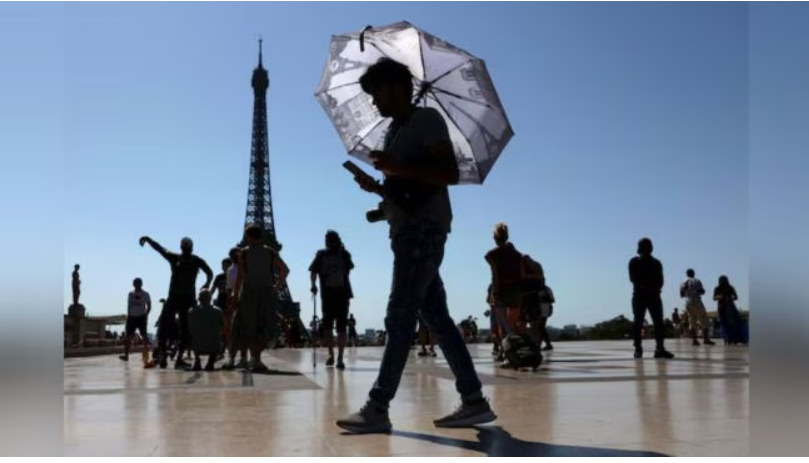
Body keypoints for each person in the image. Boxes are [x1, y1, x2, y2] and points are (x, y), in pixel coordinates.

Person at [337, 58, 496, 434]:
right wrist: (378, 188)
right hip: (408, 227)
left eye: (376, 92)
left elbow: (448, 173)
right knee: (436, 317)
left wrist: (396, 168)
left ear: (396, 86)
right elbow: (405, 190)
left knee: (399, 314)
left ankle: (378, 406)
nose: (373, 101)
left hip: (423, 229)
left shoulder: (426, 119)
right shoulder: (394, 130)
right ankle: (474, 400)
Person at [139, 236, 213, 369]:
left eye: (188, 249)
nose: (186, 251)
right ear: (182, 248)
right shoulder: (176, 257)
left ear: (191, 249)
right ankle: (163, 355)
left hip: (187, 299)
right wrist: (149, 240)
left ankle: (178, 357)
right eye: (185, 249)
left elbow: (210, 273)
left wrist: (207, 283)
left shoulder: (196, 260)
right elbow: (160, 249)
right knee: (164, 326)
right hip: (174, 298)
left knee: (185, 329)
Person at [231, 224, 290, 373]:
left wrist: (235, 294)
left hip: (249, 293)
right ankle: (257, 359)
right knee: (265, 326)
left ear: (248, 237)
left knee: (249, 327)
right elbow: (285, 270)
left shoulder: (244, 252)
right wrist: (277, 286)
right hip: (266, 292)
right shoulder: (270, 252)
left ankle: (253, 359)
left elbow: (240, 277)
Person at [309, 230, 355, 370]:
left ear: (327, 241)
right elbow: (348, 271)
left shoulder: (321, 254)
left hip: (327, 295)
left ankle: (331, 355)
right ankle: (340, 358)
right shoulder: (344, 254)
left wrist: (313, 285)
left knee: (328, 327)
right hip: (343, 294)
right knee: (342, 327)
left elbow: (313, 272)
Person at [628, 238, 674, 359]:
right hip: (639, 296)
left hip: (654, 296)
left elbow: (661, 279)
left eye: (649, 246)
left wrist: (656, 289)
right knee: (638, 323)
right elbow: (633, 278)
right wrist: (648, 287)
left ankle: (660, 348)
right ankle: (638, 348)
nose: (648, 248)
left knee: (659, 323)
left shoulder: (656, 263)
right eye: (645, 246)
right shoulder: (634, 261)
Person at [119, 278, 154, 367]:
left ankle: (146, 357)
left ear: (141, 284)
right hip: (131, 318)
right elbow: (129, 305)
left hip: (141, 317)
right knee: (128, 337)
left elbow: (149, 305)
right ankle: (126, 355)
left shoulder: (145, 294)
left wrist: (146, 314)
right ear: (133, 284)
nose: (136, 285)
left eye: (138, 283)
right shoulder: (130, 294)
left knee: (144, 336)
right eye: (135, 283)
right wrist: (128, 315)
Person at [188, 289, 225, 371]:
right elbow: (223, 327)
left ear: (199, 299)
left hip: (198, 345)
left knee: (192, 337)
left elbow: (190, 328)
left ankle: (197, 360)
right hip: (213, 345)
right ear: (210, 298)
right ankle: (210, 362)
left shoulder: (192, 311)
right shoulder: (218, 311)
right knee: (219, 338)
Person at [680, 269, 715, 346]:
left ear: (686, 274)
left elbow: (681, 295)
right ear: (693, 273)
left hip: (688, 303)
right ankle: (706, 339)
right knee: (704, 320)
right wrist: (697, 291)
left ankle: (694, 340)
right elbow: (702, 291)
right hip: (697, 302)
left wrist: (688, 292)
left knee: (692, 321)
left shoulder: (683, 282)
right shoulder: (696, 281)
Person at [210, 258, 231, 358]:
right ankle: (221, 349)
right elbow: (213, 289)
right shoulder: (219, 277)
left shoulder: (234, 275)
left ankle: (225, 349)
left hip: (230, 301)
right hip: (221, 301)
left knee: (228, 326)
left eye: (225, 265)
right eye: (223, 265)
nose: (223, 267)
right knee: (221, 327)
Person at [714, 275, 744, 345]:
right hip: (723, 307)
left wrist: (729, 298)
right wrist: (720, 297)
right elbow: (714, 298)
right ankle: (729, 339)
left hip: (728, 307)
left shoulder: (728, 288)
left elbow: (736, 297)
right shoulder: (719, 288)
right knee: (727, 323)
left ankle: (732, 339)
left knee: (730, 323)